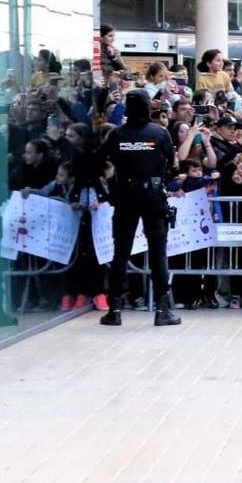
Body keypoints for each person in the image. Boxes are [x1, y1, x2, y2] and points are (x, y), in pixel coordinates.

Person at [101, 88, 180, 327]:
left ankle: (114, 309)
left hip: (125, 194)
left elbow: (103, 160)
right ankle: (162, 309)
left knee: (121, 253)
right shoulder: (159, 132)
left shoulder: (117, 134)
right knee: (158, 252)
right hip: (153, 194)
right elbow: (172, 164)